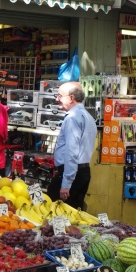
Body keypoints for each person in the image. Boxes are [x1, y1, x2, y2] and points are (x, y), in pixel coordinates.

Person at [48, 81, 97, 209]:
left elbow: (71, 152)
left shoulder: (72, 118)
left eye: (59, 96)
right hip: (83, 171)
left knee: (55, 211)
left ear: (71, 98)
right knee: (73, 214)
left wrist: (66, 184)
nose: (57, 99)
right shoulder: (88, 117)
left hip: (71, 173)